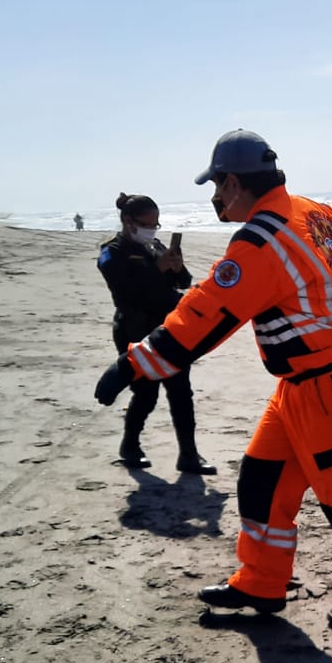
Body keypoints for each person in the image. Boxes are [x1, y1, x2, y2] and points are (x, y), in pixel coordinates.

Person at [94, 129, 332, 632]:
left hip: (328, 389)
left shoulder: (263, 239)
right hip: (303, 387)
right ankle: (261, 584)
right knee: (260, 483)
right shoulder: (316, 212)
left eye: (217, 186)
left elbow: (205, 316)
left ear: (236, 182)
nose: (216, 198)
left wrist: (132, 365)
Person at [97, 192, 215, 475]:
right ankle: (130, 446)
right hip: (134, 330)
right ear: (128, 221)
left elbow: (182, 282)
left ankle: (189, 455)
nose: (152, 229)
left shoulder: (155, 245)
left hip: (169, 331)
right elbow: (127, 290)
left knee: (181, 393)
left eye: (156, 224)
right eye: (147, 223)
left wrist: (176, 267)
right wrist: (156, 269)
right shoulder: (112, 252)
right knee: (146, 394)